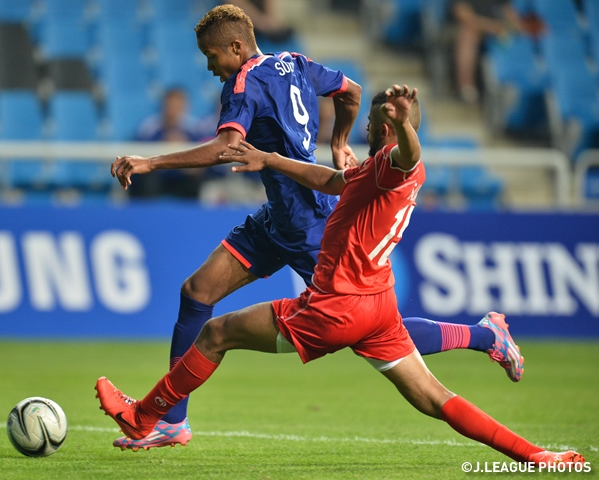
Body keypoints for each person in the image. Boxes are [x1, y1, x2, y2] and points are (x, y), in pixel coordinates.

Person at [96, 85, 583, 466]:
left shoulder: (396, 166)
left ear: (388, 132)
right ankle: (540, 457)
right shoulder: (374, 169)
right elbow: (329, 179)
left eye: (373, 125)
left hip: (336, 306)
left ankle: (146, 416)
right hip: (378, 304)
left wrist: (405, 126)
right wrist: (269, 160)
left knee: (216, 332)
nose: (367, 132)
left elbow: (408, 155)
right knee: (436, 397)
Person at [109, 4, 523, 451]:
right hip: (279, 218)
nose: (211, 68)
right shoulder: (297, 64)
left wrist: (151, 161)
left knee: (376, 331)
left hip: (310, 222)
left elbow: (227, 147)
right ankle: (172, 421)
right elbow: (351, 90)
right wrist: (340, 141)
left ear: (235, 47)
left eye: (212, 57)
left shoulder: (243, 82)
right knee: (197, 291)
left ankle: (485, 335)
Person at [451, 0, 527, 103]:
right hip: (474, 28)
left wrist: (513, 26)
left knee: (518, 35)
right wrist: (492, 27)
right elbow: (464, 16)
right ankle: (467, 89)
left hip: (497, 30)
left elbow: (511, 15)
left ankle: (516, 83)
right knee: (468, 35)